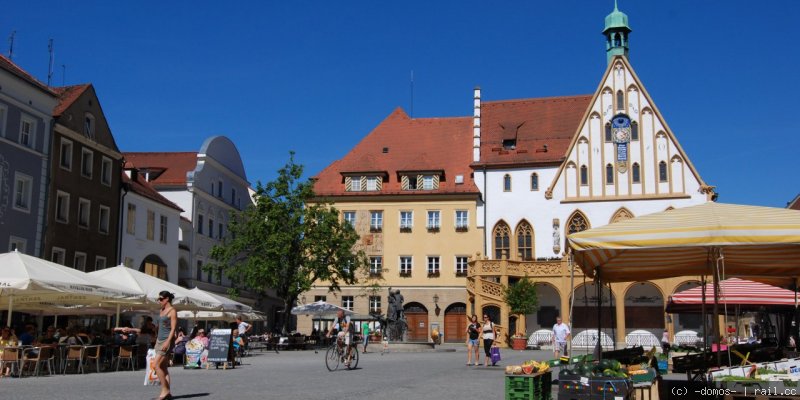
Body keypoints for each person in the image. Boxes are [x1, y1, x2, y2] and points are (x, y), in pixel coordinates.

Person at [153, 291, 178, 400]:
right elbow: (161, 326)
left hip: (167, 341)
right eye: (158, 299)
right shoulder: (161, 310)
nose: (159, 301)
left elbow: (173, 328)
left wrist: (168, 342)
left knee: (155, 365)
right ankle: (167, 393)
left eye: (161, 299)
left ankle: (165, 390)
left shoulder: (172, 311)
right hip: (159, 340)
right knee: (163, 367)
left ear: (167, 299)